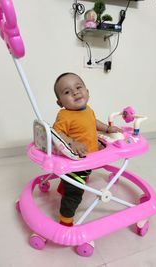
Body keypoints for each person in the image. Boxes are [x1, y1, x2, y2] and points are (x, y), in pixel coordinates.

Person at [53, 72, 122, 226]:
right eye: (67, 92)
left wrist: (107, 128)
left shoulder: (88, 109)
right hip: (75, 162)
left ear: (87, 92)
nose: (75, 92)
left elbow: (94, 122)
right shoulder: (64, 115)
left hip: (89, 158)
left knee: (77, 181)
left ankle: (64, 185)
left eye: (78, 87)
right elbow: (56, 132)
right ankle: (65, 221)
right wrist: (71, 142)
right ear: (60, 102)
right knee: (75, 194)